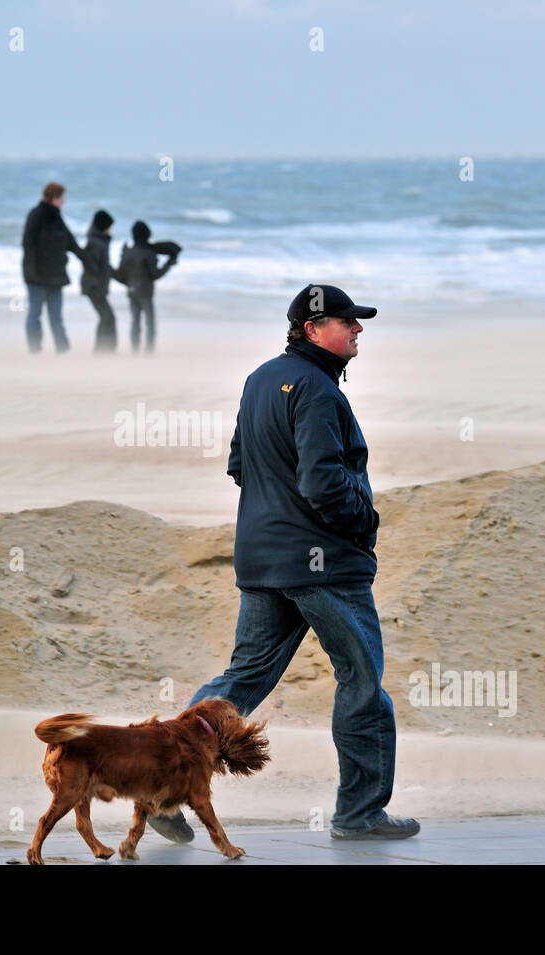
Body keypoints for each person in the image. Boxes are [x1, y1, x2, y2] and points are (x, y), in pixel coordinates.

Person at [148, 283, 420, 845]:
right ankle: (360, 814)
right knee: (362, 681)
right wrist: (364, 520)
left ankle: (161, 788)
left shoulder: (260, 379)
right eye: (348, 322)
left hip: (264, 559)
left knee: (241, 680)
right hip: (323, 566)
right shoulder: (319, 390)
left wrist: (278, 518)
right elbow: (322, 482)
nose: (359, 329)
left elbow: (239, 465)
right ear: (313, 329)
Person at [21, 181, 83, 354]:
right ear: (54, 198)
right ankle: (35, 351)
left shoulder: (56, 217)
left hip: (55, 276)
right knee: (35, 314)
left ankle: (62, 351)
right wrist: (31, 271)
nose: (63, 201)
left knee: (56, 316)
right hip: (37, 276)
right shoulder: (36, 215)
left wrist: (87, 258)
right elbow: (28, 244)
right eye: (62, 198)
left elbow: (70, 242)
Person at [112, 220, 176, 353]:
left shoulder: (128, 252)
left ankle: (135, 351)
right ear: (147, 235)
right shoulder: (148, 252)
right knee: (149, 323)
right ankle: (149, 352)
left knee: (135, 322)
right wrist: (169, 264)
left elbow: (120, 274)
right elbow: (156, 274)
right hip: (146, 292)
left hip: (131, 291)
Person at [82, 210, 118, 353]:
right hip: (94, 287)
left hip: (97, 286)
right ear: (104, 226)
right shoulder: (95, 243)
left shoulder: (99, 241)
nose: (111, 229)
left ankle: (103, 350)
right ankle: (103, 351)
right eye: (109, 226)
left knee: (106, 317)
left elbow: (104, 267)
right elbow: (90, 265)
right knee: (107, 317)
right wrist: (96, 285)